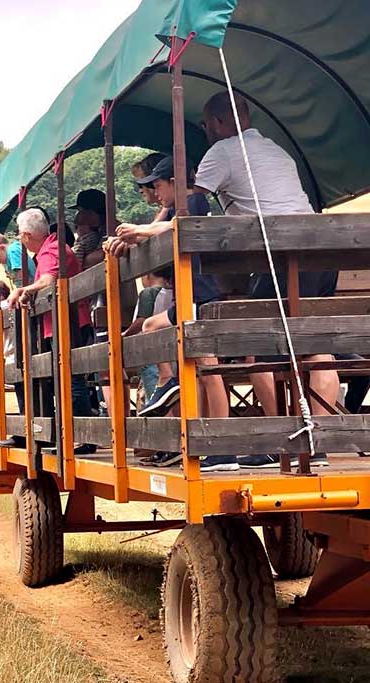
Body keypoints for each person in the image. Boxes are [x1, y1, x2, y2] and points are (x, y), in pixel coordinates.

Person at [190, 90, 336, 469]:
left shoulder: (221, 152)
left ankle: (280, 441)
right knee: (314, 347)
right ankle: (318, 443)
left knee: (259, 351)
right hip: (322, 252)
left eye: (206, 125)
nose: (207, 132)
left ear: (219, 122)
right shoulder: (276, 149)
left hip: (281, 256)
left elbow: (193, 206)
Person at [106, 154, 232, 471]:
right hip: (187, 299)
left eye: (158, 186)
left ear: (174, 183)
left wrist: (141, 231)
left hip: (200, 297)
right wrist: (131, 238)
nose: (156, 193)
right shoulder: (175, 206)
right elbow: (160, 226)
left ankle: (224, 445)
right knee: (154, 328)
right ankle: (170, 381)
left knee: (209, 369)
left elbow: (177, 227)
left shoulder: (195, 202)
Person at [2, 208, 95, 453]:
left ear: (26, 235)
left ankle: (84, 437)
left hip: (68, 323)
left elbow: (48, 280)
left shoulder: (52, 249)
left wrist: (25, 290)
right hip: (59, 323)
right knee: (62, 378)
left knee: (70, 378)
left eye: (21, 236)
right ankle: (66, 434)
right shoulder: (50, 249)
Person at [125, 270, 172, 402]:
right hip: (171, 346)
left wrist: (124, 334)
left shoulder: (148, 293)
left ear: (147, 275)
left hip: (151, 349)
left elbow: (142, 321)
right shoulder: (174, 291)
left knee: (155, 387)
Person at [70, 189, 106, 269]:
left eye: (80, 211)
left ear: (91, 213)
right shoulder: (94, 230)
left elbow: (102, 256)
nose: (78, 217)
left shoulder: (113, 229)